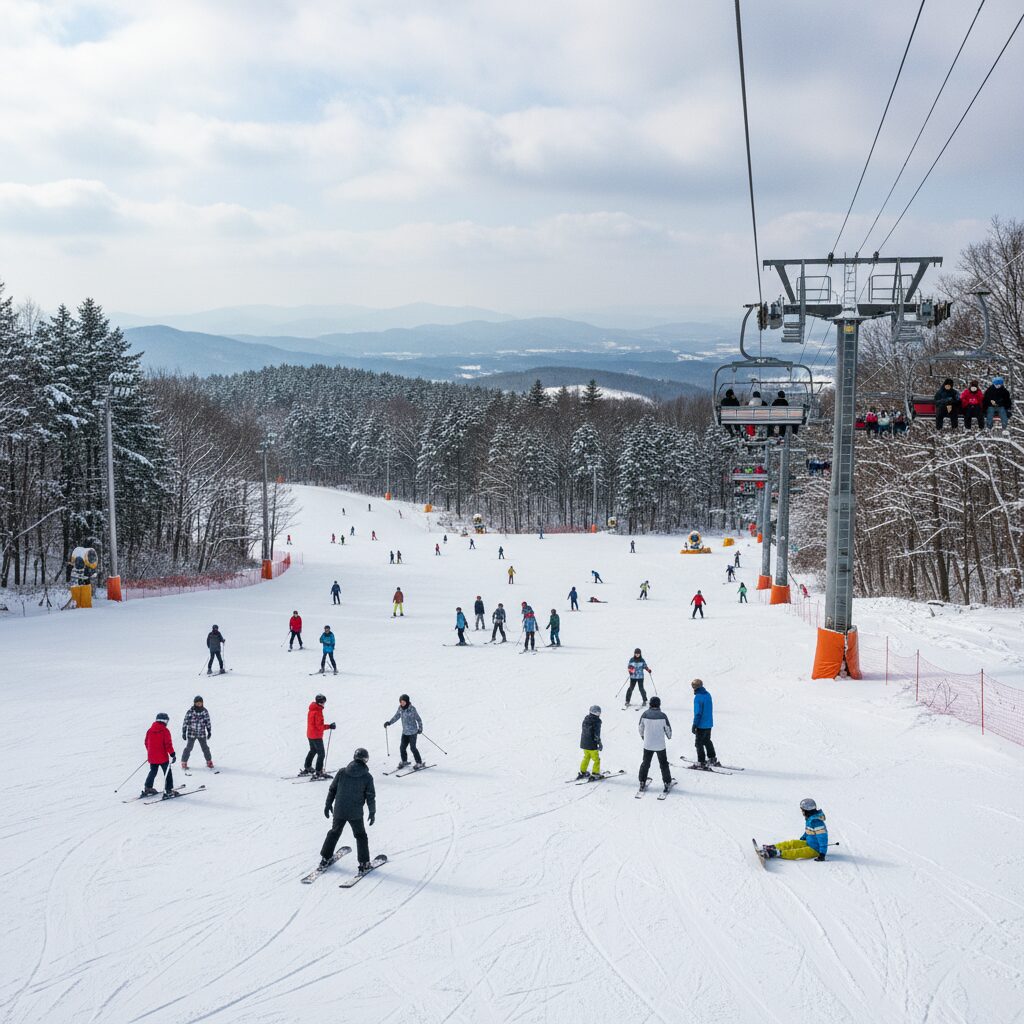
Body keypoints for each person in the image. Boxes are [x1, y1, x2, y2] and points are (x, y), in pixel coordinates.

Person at [320, 748, 376, 875]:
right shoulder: (367, 777)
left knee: (334, 832)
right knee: (360, 836)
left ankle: (325, 858)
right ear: (365, 760)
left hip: (339, 810)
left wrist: (328, 804)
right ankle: (364, 863)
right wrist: (372, 812)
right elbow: (370, 796)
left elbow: (332, 789)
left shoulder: (342, 772)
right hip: (355, 813)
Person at [761, 798, 830, 861]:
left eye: (803, 810)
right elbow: (809, 831)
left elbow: (823, 839)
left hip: (815, 849)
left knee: (797, 852)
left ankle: (776, 853)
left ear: (808, 811)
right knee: (793, 843)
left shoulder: (817, 822)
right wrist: (803, 837)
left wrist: (822, 854)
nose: (802, 812)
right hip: (809, 843)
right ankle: (773, 847)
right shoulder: (811, 819)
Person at [638, 696, 672, 792]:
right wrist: (669, 736)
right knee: (663, 764)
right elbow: (668, 729)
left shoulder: (644, 714)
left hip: (648, 745)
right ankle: (667, 782)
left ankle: (642, 781)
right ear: (659, 704)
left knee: (645, 763)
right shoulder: (663, 715)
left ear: (650, 704)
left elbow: (640, 727)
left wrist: (643, 737)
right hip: (660, 745)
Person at [384, 694, 424, 768]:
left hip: (413, 732)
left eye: (403, 702)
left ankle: (419, 763)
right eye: (400, 702)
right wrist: (389, 722)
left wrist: (420, 729)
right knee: (402, 747)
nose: (402, 703)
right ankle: (404, 761)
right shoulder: (400, 708)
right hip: (405, 732)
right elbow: (396, 716)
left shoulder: (412, 709)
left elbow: (418, 719)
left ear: (407, 701)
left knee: (413, 748)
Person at [300, 694, 336, 777]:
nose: (324, 704)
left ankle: (308, 767)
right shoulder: (317, 712)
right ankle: (319, 772)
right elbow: (319, 727)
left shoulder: (312, 709)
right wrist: (330, 726)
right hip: (316, 736)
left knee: (313, 750)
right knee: (321, 754)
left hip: (310, 734)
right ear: (320, 702)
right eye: (324, 702)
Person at [142, 712, 177, 797]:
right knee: (167, 772)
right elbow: (168, 744)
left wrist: (151, 752)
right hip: (162, 757)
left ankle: (148, 787)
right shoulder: (165, 731)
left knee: (153, 771)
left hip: (152, 757)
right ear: (165, 721)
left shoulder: (150, 730)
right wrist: (172, 754)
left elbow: (146, 742)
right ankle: (168, 790)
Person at [689, 678, 718, 768]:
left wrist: (695, 724)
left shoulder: (698, 698)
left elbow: (698, 713)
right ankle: (712, 757)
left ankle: (701, 762)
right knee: (707, 741)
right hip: (709, 723)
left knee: (698, 743)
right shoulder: (707, 694)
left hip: (701, 724)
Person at [181, 695, 214, 770]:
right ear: (194, 703)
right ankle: (184, 762)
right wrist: (184, 731)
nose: (199, 704)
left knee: (205, 748)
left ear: (202, 703)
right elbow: (185, 722)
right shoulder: (190, 711)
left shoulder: (204, 711)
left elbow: (207, 721)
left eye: (200, 703)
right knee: (188, 748)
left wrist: (209, 731)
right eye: (197, 703)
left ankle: (209, 761)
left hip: (201, 733)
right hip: (191, 733)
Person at [576, 705, 603, 779]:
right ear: (597, 713)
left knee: (586, 757)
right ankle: (595, 773)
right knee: (596, 759)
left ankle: (583, 771)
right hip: (592, 745)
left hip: (584, 743)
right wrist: (599, 743)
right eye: (599, 712)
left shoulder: (586, 719)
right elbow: (596, 734)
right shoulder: (597, 721)